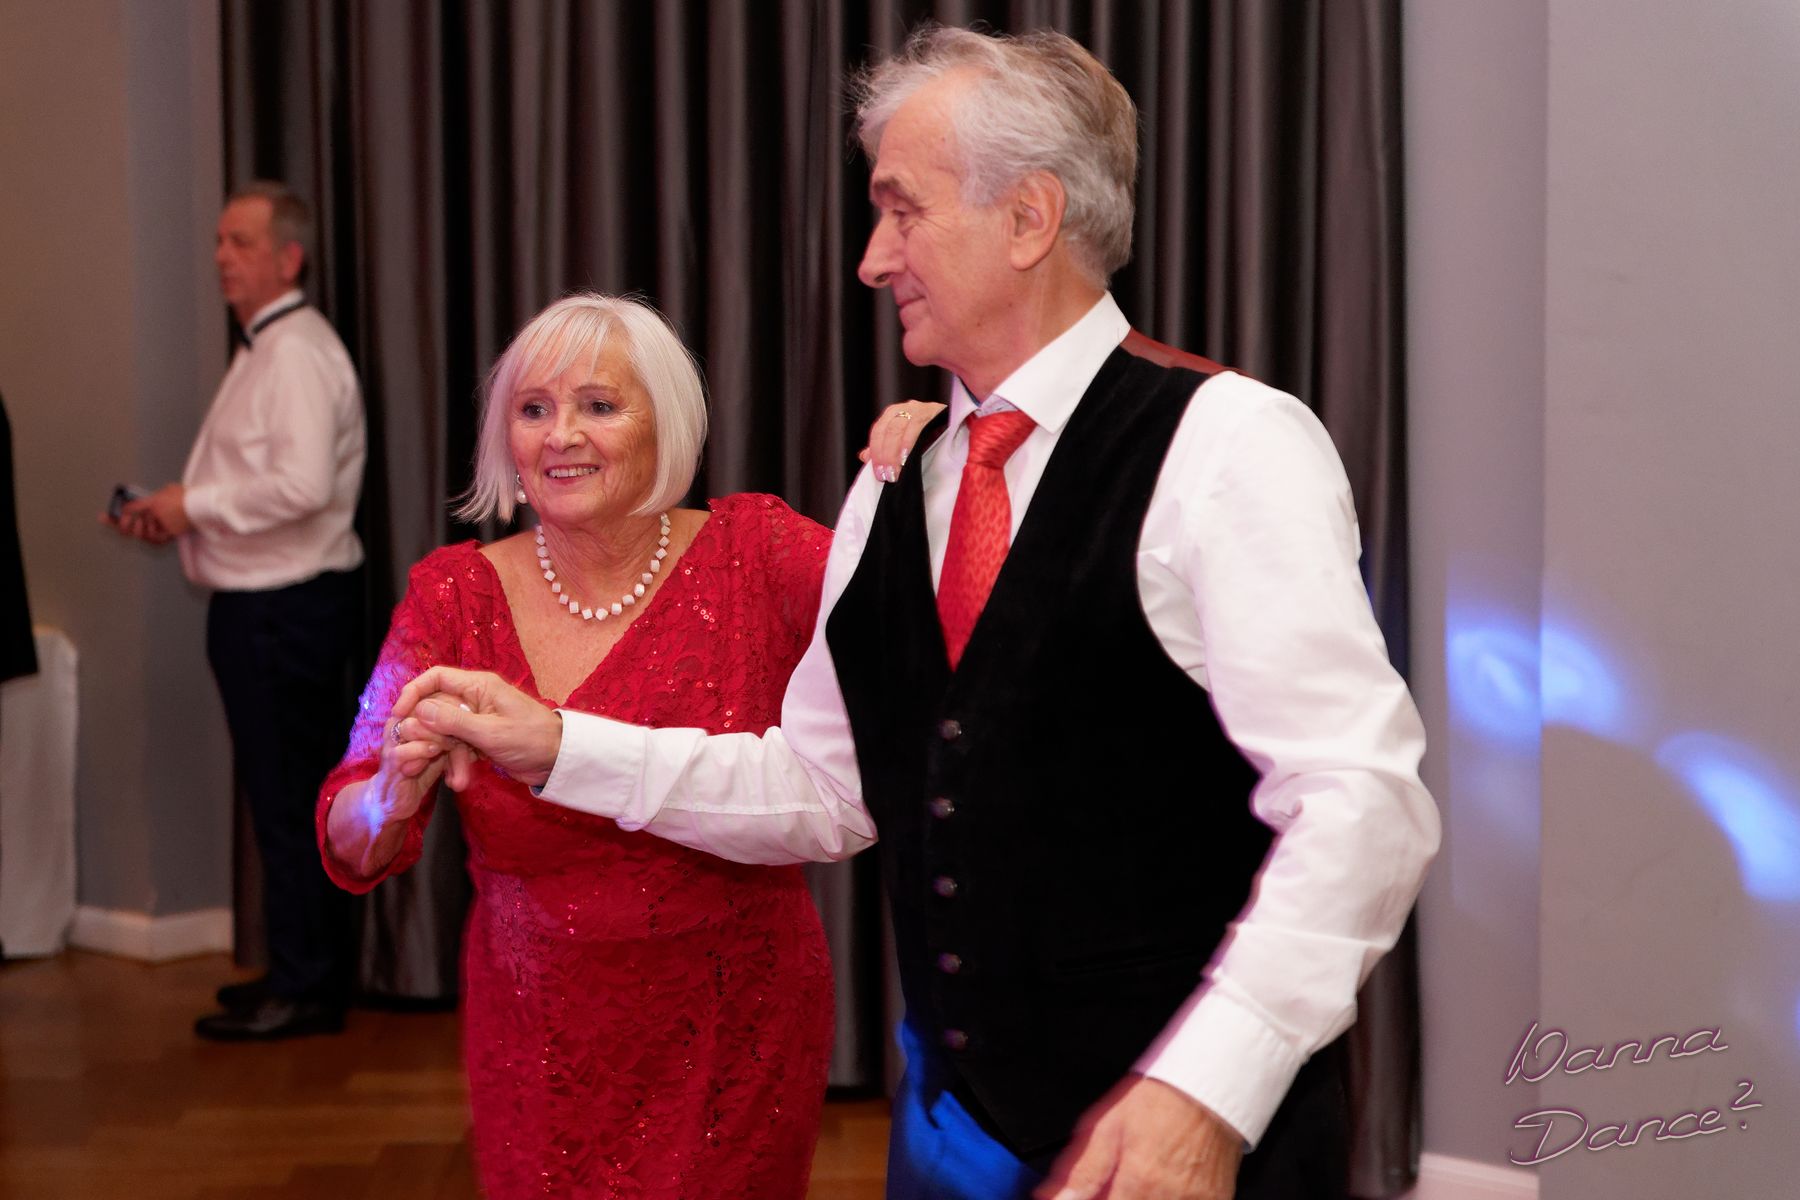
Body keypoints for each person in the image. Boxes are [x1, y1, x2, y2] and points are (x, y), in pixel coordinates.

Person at [394, 26, 1440, 1200]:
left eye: (902, 211)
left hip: (1199, 1156)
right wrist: (557, 745)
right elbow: (820, 789)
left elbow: (1364, 802)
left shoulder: (1230, 444)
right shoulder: (893, 486)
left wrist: (1207, 1091)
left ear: (1029, 218)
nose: (870, 259)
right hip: (949, 1141)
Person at [317, 293, 874, 1198]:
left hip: (735, 1027)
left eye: (599, 405)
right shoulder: (453, 596)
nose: (560, 436)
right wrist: (386, 795)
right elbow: (349, 834)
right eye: (533, 409)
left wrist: (928, 463)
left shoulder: (758, 553)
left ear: (667, 423)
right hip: (536, 1038)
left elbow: (921, 607)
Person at [106, 180, 365, 1040]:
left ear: (289, 258)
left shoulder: (293, 354)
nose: (221, 256)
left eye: (240, 242)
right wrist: (178, 514)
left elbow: (302, 486)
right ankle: (295, 972)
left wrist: (194, 505)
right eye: (219, 240)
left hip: (283, 611)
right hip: (270, 606)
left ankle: (309, 987)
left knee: (290, 802)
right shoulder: (268, 348)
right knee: (282, 798)